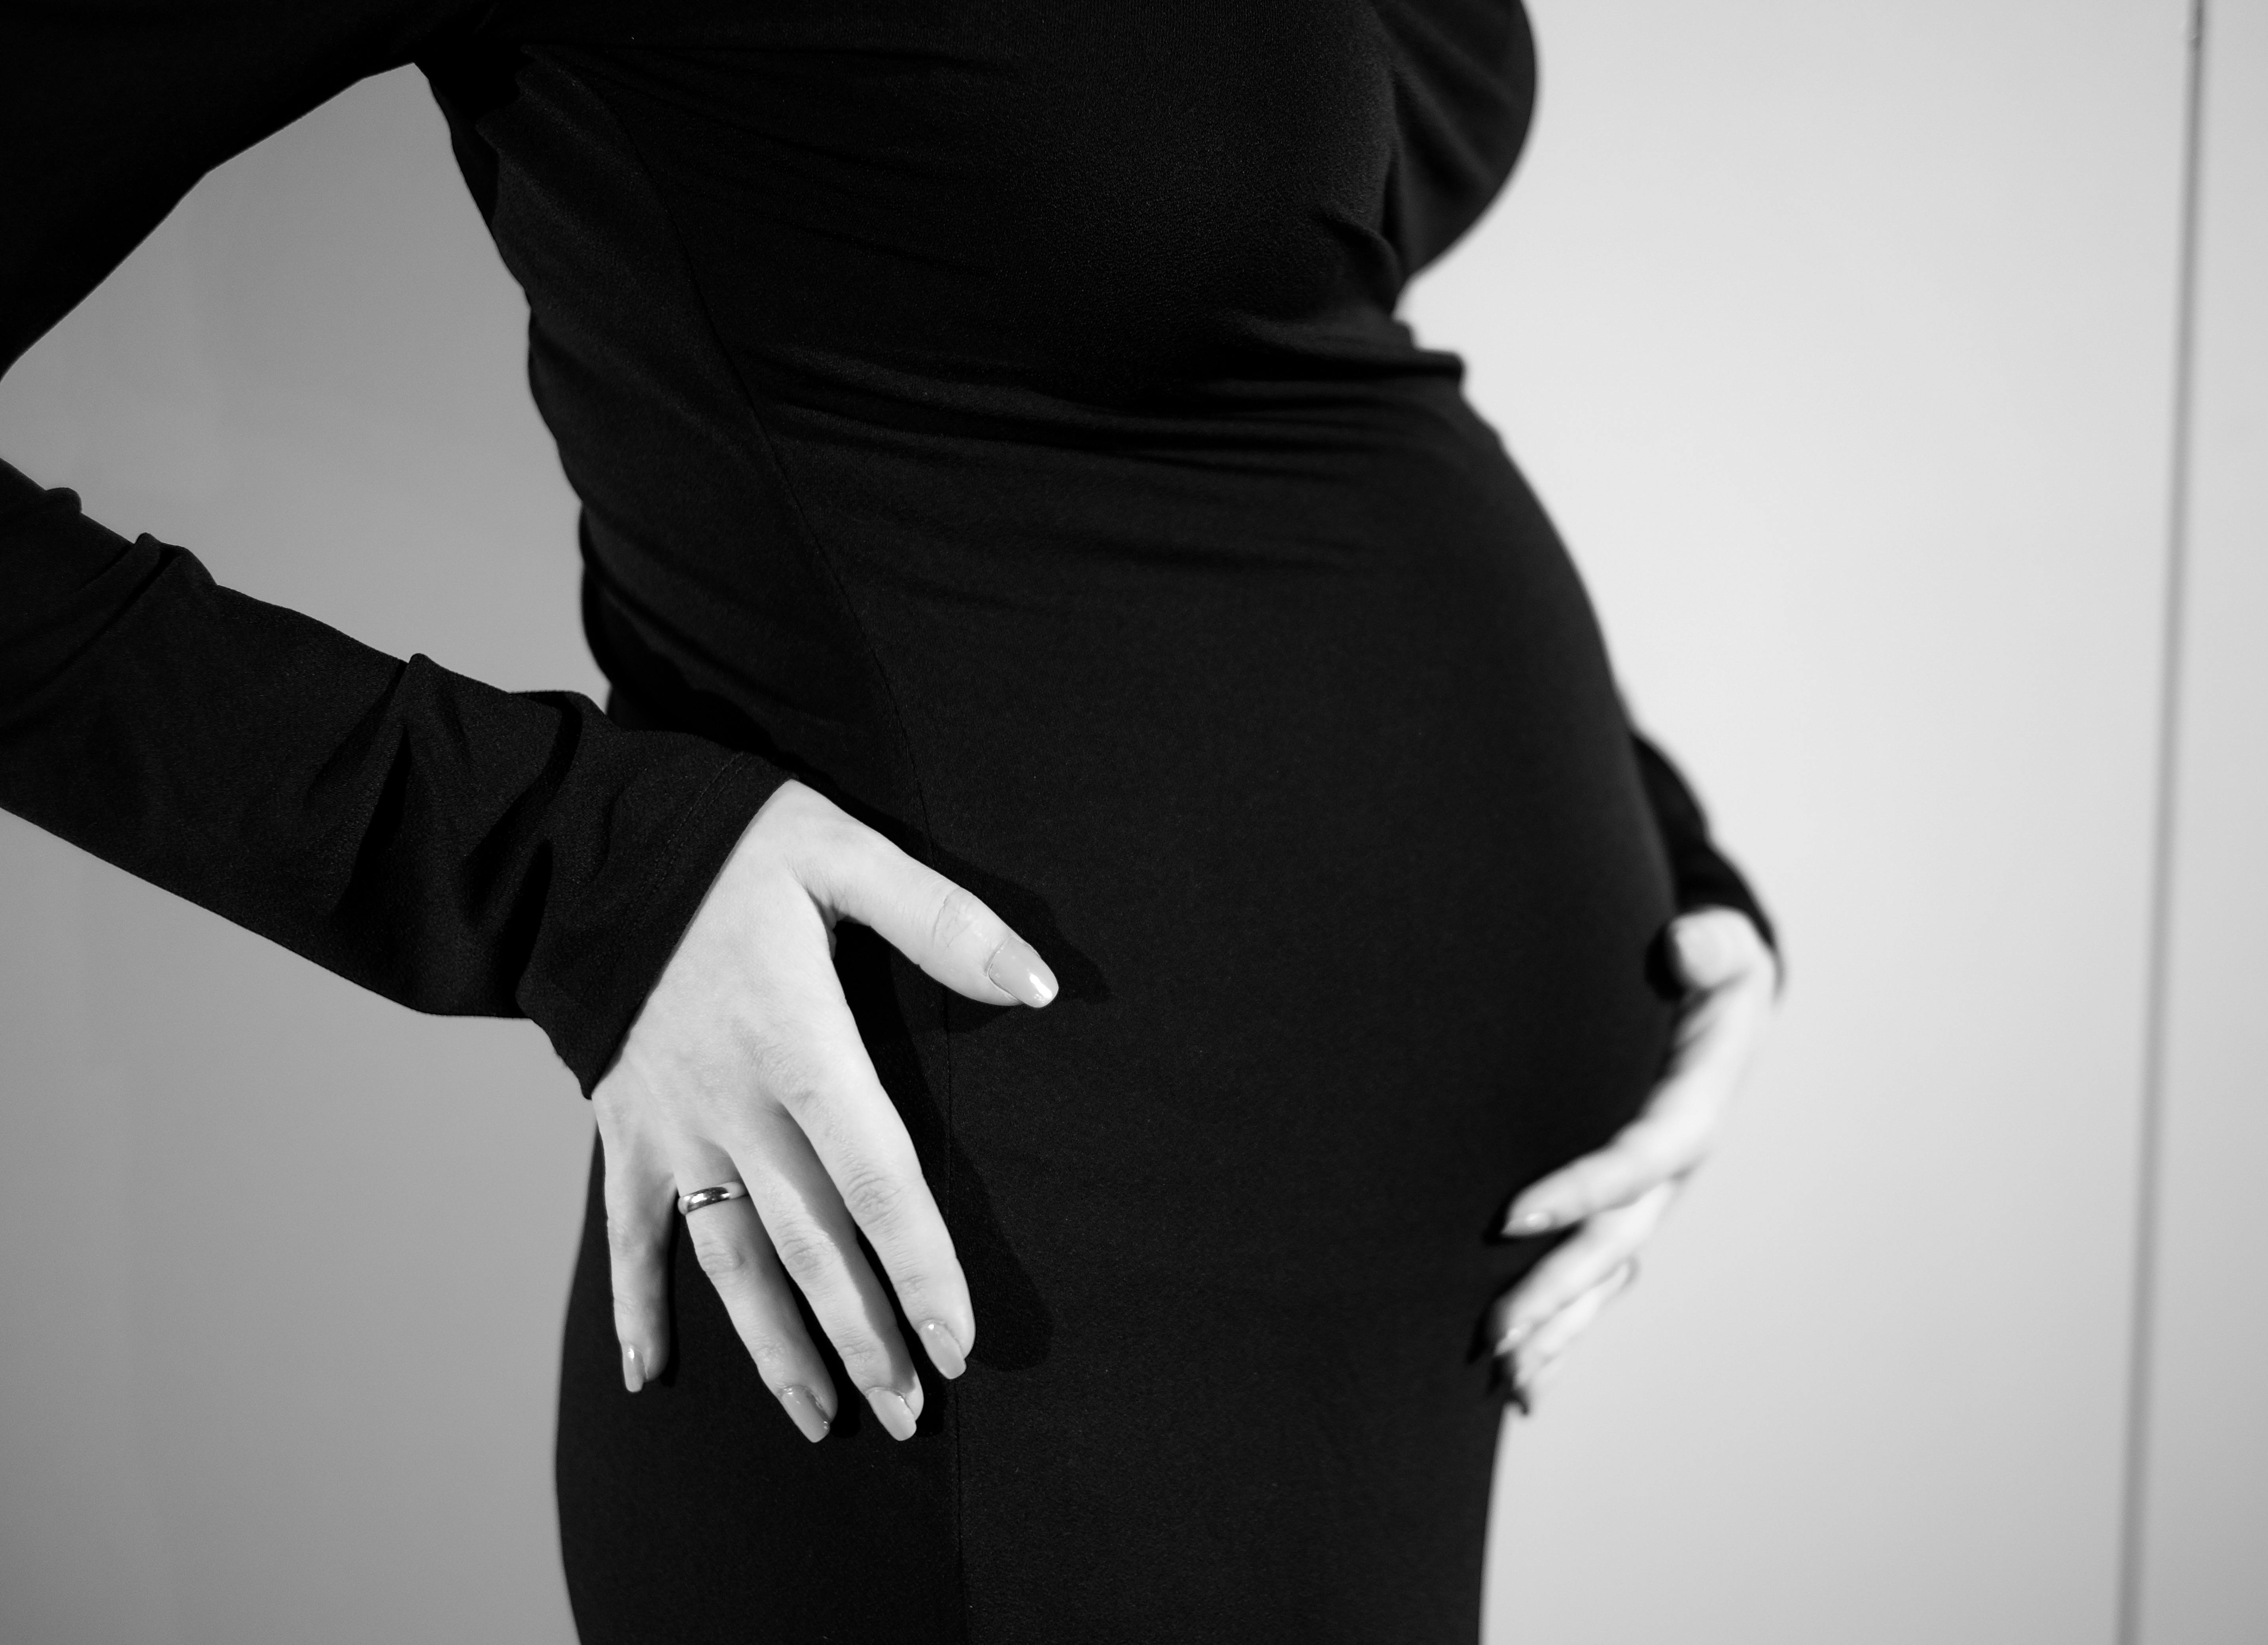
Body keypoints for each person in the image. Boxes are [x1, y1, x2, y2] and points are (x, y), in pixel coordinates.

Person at [1, 1, 1778, 1639]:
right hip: (1016, 1293)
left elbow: (1260, 372)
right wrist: (563, 870)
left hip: (1369, 1294)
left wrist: (1664, 867)